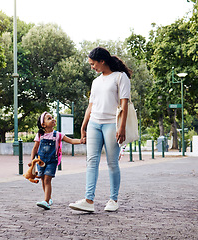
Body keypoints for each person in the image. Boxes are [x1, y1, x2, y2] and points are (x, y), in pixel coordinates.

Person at [69, 47, 132, 212]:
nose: (92, 67)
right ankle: (88, 201)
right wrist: (84, 126)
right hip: (94, 124)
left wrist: (122, 127)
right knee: (91, 162)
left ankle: (113, 199)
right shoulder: (96, 82)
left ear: (102, 61)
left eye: (93, 64)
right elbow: (91, 105)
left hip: (112, 124)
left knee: (112, 163)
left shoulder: (120, 77)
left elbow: (124, 104)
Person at [30, 111, 84, 210]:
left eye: (52, 117)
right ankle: (48, 198)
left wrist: (81, 141)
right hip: (40, 161)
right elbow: (35, 148)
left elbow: (71, 141)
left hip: (52, 162)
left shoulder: (58, 135)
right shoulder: (40, 135)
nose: (53, 119)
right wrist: (32, 161)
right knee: (42, 179)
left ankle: (46, 201)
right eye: (49, 118)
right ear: (43, 124)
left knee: (47, 179)